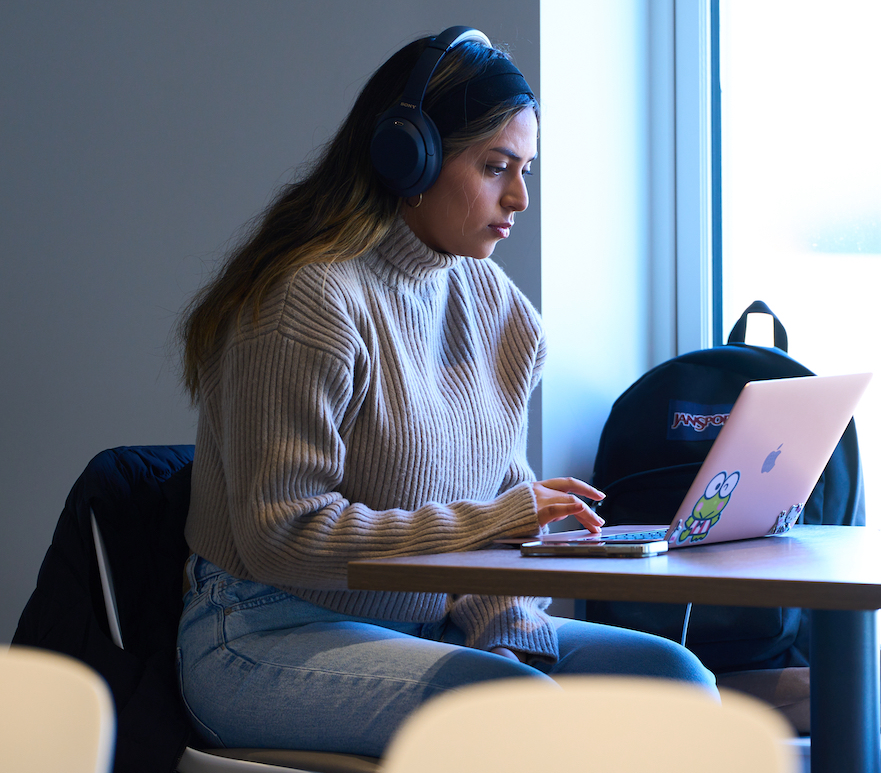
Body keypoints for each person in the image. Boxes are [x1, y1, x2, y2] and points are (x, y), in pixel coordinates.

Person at [175, 27, 714, 757]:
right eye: (496, 167)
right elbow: (280, 538)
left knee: (672, 682)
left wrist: (513, 636)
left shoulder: (499, 310)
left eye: (526, 169)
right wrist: (493, 523)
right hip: (264, 629)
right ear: (409, 159)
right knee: (511, 711)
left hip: (426, 626)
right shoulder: (306, 299)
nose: (520, 197)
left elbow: (499, 524)